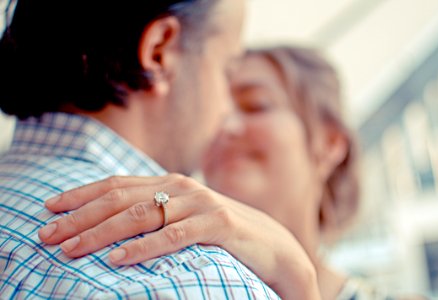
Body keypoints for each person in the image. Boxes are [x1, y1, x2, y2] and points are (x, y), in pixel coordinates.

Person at [0, 1, 321, 298]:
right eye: (226, 70)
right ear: (158, 52)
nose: (226, 115)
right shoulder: (200, 278)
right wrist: (300, 281)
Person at [35, 46, 377, 299]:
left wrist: (298, 280)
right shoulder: (180, 273)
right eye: (222, 107)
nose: (225, 125)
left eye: (255, 104)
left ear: (330, 142)